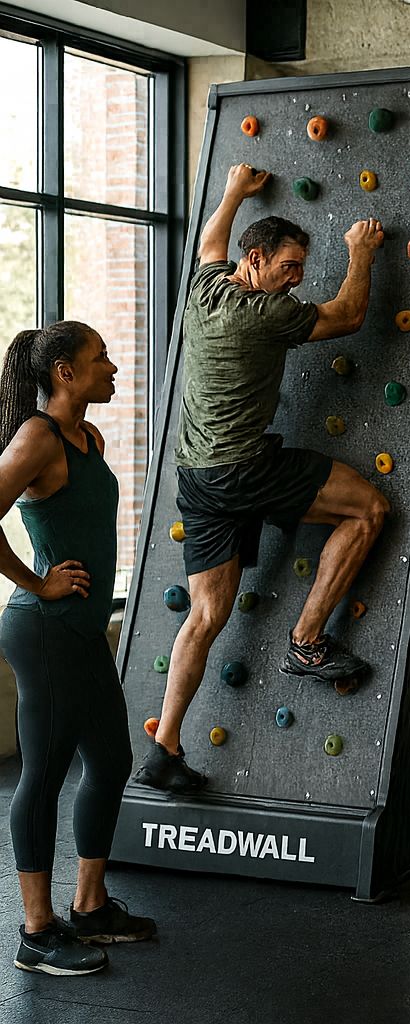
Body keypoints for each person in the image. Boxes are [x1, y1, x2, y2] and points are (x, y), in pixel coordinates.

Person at [134, 163, 390, 792]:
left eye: (301, 268)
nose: (297, 279)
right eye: (288, 267)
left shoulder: (208, 287)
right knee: (368, 510)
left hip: (196, 475)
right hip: (245, 469)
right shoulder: (263, 313)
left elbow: (209, 244)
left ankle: (164, 746)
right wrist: (360, 254)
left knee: (207, 613)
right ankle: (307, 641)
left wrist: (230, 193)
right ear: (256, 261)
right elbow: (350, 314)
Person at [0, 322, 155, 975]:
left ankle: (89, 909)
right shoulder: (37, 437)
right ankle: (36, 932)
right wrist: (39, 581)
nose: (113, 367)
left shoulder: (85, 436)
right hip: (45, 631)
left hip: (83, 632)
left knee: (112, 761)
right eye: (100, 360)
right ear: (64, 371)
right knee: (43, 773)